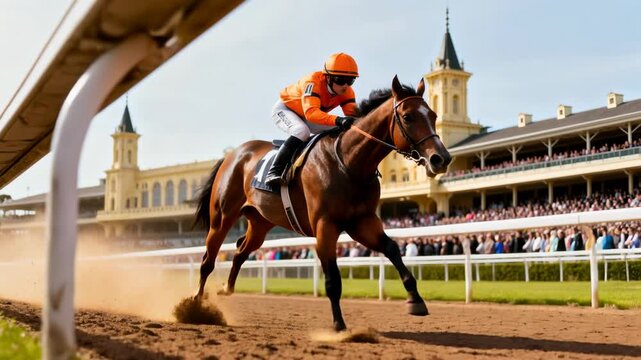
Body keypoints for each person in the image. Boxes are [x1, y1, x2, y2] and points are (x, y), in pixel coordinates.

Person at [265, 52, 360, 186]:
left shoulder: (347, 91)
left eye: (350, 81)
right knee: (301, 131)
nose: (345, 85)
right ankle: (274, 172)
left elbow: (354, 116)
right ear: (328, 77)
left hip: (309, 114)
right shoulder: (312, 81)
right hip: (286, 109)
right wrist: (339, 119)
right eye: (340, 80)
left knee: (341, 129)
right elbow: (311, 113)